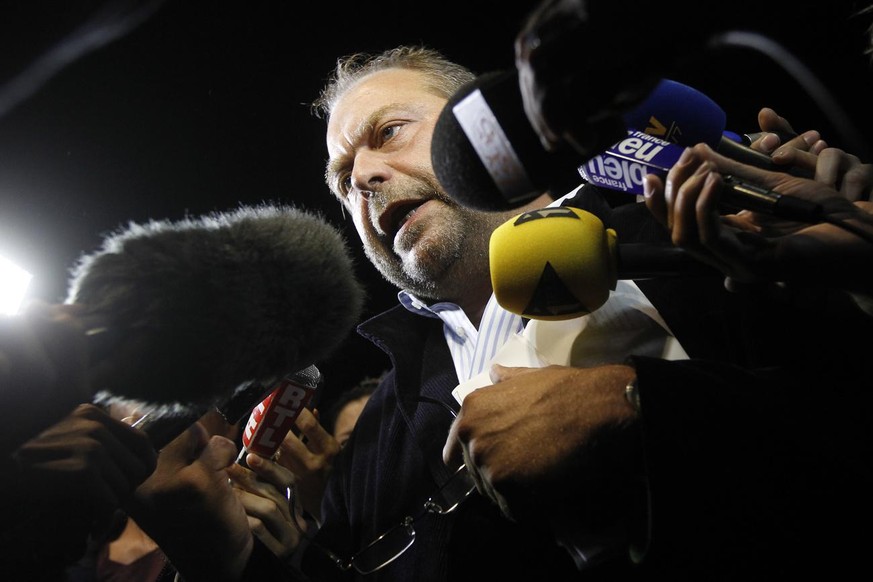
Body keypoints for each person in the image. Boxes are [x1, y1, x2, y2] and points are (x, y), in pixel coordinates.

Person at [124, 44, 873, 582]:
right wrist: (228, 559)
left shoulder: (708, 240)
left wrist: (641, 409)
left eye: (389, 134)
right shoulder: (378, 432)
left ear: (490, 133)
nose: (366, 178)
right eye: (342, 179)